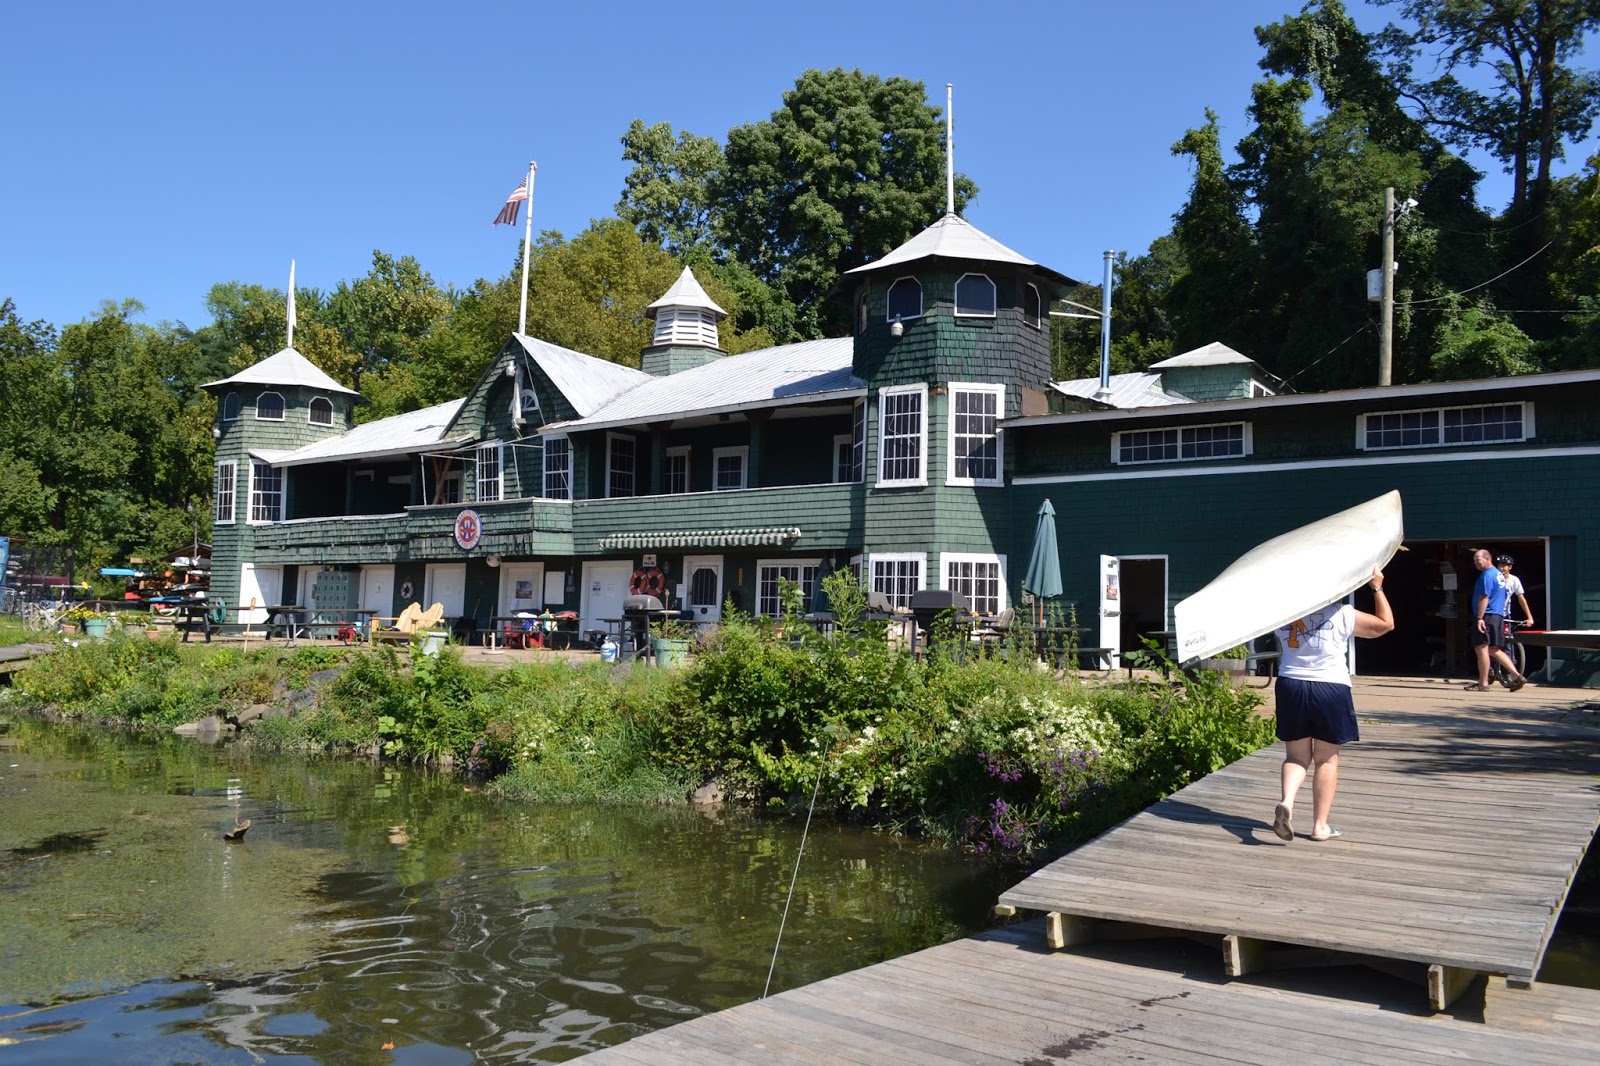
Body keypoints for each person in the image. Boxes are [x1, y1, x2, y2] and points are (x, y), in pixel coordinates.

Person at [1271, 566, 1394, 843]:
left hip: (1291, 685)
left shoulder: (1280, 614)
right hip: (1331, 687)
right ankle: (1320, 826)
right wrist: (1376, 586)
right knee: (1326, 758)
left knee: (1296, 757)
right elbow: (1385, 625)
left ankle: (1287, 802)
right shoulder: (1342, 613)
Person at [1466, 548, 1527, 692]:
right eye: (1474, 560)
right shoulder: (1499, 575)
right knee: (1494, 649)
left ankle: (1483, 683)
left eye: (1478, 560)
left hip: (1487, 615)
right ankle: (1517, 676)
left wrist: (1479, 618)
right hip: (1498, 616)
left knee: (1481, 648)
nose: (1475, 563)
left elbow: (1484, 597)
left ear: (1487, 559)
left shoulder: (1487, 575)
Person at [1496, 554, 1534, 626]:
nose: (1501, 568)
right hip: (1493, 614)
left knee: (1507, 635)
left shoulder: (1514, 580)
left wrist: (1530, 617)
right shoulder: (1494, 578)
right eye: (1499, 566)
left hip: (1506, 615)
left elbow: (1521, 599)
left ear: (1509, 567)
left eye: (1504, 566)